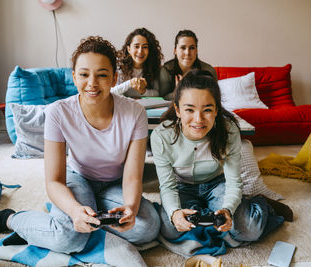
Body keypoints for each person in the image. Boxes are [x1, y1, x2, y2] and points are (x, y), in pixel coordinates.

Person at [0, 36, 160, 254]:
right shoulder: (57, 112)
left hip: (115, 182)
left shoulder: (134, 112)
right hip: (78, 177)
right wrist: (74, 210)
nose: (92, 83)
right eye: (83, 74)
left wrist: (130, 207)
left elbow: (133, 176)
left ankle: (91, 211)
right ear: (74, 77)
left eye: (102, 75)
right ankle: (10, 219)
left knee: (148, 228)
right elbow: (54, 181)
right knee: (68, 239)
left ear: (114, 78)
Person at [151, 69, 291, 243]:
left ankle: (260, 204)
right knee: (169, 229)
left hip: (217, 184)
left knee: (249, 230)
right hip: (182, 187)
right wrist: (174, 213)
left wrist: (228, 209)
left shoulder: (229, 130)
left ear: (216, 110)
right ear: (178, 110)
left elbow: (233, 182)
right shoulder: (161, 136)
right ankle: (206, 215)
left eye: (207, 110)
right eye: (189, 110)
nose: (198, 119)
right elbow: (167, 186)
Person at [159, 30, 217, 100]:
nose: (187, 53)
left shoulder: (208, 70)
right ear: (175, 51)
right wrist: (178, 92)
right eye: (183, 48)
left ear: (197, 50)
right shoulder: (166, 70)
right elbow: (161, 98)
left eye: (192, 48)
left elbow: (214, 98)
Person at [111, 28, 164, 98]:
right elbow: (112, 91)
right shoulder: (119, 66)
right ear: (129, 49)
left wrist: (143, 91)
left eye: (145, 47)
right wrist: (130, 83)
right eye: (136, 46)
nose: (140, 51)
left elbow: (157, 93)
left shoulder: (153, 67)